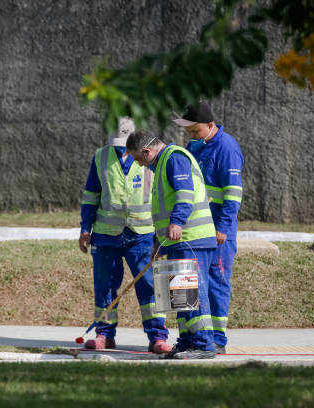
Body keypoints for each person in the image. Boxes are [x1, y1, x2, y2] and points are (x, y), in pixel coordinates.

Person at [79, 117, 171, 354]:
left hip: (142, 233)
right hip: (107, 234)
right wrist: (85, 228)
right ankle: (104, 334)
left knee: (149, 287)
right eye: (117, 144)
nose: (121, 148)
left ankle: (157, 336)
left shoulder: (152, 159)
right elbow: (91, 195)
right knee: (105, 286)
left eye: (125, 144)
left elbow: (163, 195)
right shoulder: (101, 156)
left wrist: (161, 233)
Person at [126, 130, 217, 359]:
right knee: (181, 295)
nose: (139, 164)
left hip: (191, 237)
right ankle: (187, 342)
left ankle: (203, 345)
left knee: (192, 291)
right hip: (176, 241)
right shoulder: (161, 165)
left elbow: (184, 195)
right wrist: (158, 242)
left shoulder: (174, 158)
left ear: (147, 151)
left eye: (138, 159)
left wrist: (177, 222)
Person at [173, 102, 244, 354]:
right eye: (188, 132)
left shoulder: (226, 148)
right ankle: (191, 337)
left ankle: (217, 340)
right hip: (196, 230)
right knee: (189, 282)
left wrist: (223, 227)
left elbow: (233, 193)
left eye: (195, 131)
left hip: (217, 232)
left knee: (216, 283)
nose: (190, 137)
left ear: (211, 126)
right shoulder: (195, 146)